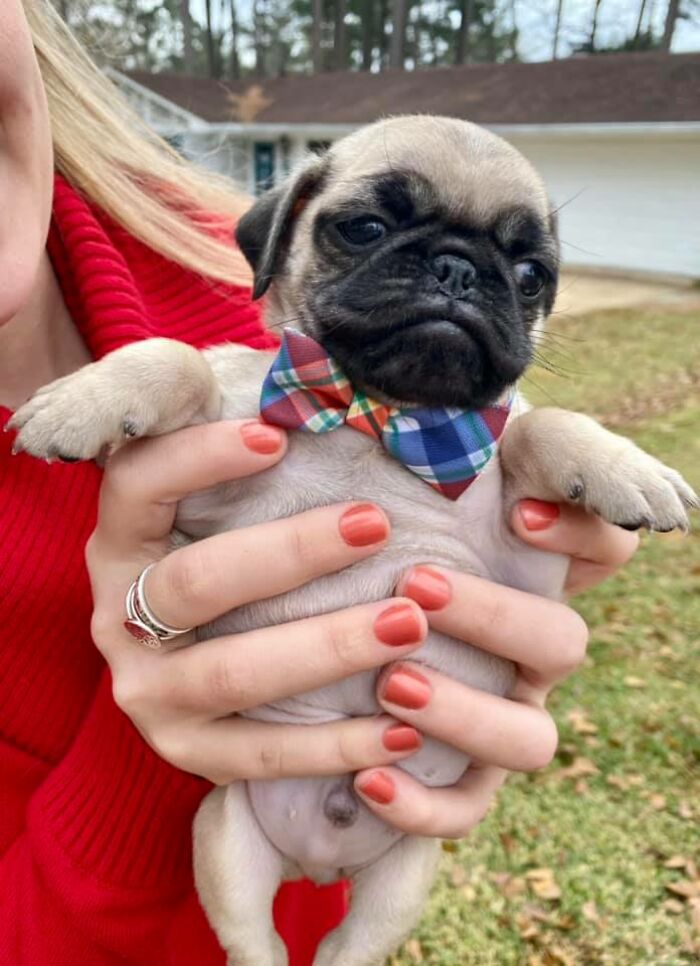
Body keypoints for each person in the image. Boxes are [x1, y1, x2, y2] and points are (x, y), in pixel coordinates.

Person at [0, 2, 640, 964]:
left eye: (520, 270)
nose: (456, 283)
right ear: (281, 232)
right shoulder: (220, 371)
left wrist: (561, 519)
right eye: (372, 229)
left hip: (391, 804)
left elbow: (539, 484)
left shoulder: (189, 250)